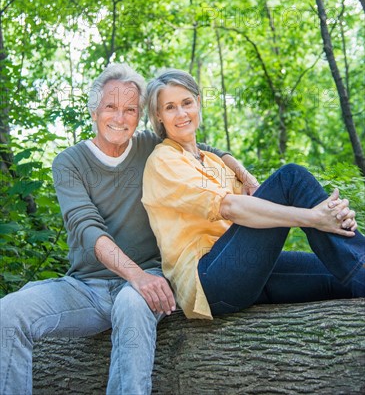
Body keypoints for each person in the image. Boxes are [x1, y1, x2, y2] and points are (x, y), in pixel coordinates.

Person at [0, 63, 247, 395]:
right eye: (111, 108)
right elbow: (87, 229)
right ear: (94, 110)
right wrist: (135, 275)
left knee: (131, 305)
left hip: (151, 276)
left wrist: (244, 173)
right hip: (87, 288)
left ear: (140, 115)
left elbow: (204, 151)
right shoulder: (69, 162)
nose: (120, 117)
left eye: (130, 109)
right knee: (8, 312)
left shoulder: (151, 148)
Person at [142, 69, 365, 320]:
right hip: (208, 279)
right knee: (290, 178)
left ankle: (356, 256)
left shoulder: (214, 162)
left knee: (340, 279)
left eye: (186, 103)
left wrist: (336, 219)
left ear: (198, 102)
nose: (181, 114)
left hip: (244, 269)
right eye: (170, 107)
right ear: (158, 116)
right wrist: (314, 217)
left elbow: (257, 203)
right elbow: (231, 207)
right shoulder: (163, 161)